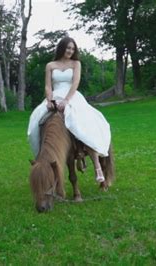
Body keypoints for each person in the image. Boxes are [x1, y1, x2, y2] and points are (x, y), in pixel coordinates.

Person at [27, 37, 111, 184]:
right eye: (68, 48)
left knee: (84, 121)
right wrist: (49, 100)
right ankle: (43, 155)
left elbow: (75, 83)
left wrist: (66, 100)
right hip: (55, 95)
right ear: (62, 48)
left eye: (73, 49)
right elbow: (48, 86)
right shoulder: (50, 65)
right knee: (36, 121)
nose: (70, 51)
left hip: (71, 96)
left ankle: (96, 163)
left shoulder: (76, 63)